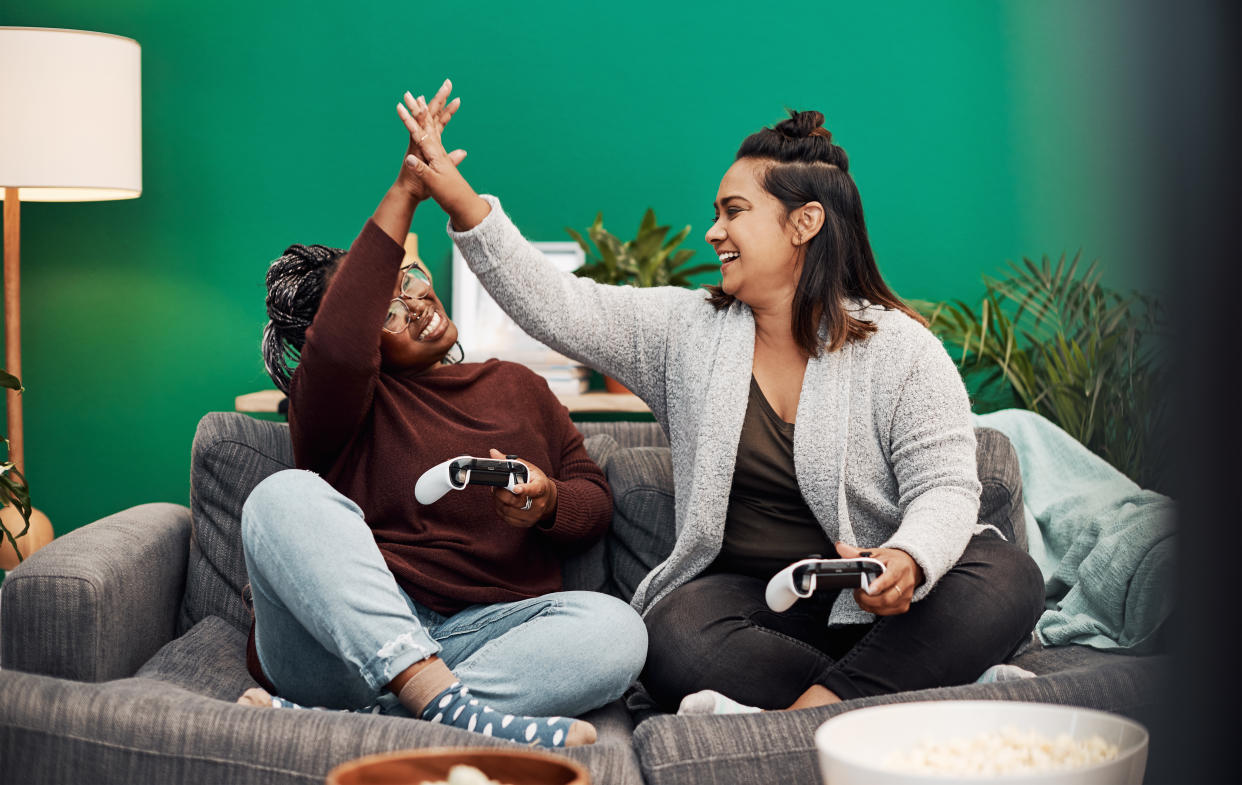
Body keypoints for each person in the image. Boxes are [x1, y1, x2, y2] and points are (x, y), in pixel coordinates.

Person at [395, 85, 1045, 715]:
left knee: (1007, 575)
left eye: (733, 211)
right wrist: (457, 200)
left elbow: (947, 488)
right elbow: (561, 304)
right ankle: (902, 693)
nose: (713, 232)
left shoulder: (901, 349)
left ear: (804, 223)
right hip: (764, 611)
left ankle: (817, 709)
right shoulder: (685, 333)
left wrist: (906, 557)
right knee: (675, 632)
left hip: (889, 609)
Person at [236, 81, 646, 747]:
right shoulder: (338, 404)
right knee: (280, 496)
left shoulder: (518, 385)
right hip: (348, 640)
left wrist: (545, 501)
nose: (415, 303)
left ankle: (383, 721)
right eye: (386, 308)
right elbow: (338, 345)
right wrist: (408, 188)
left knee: (619, 629)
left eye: (410, 282)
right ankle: (446, 707)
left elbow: (591, 502)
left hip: (488, 634)